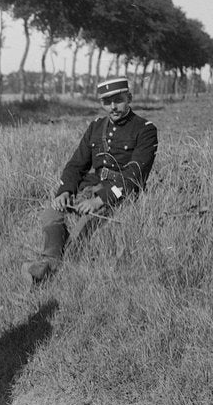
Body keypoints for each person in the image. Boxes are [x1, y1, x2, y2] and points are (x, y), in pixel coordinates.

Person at [22, 77, 158, 283]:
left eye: (118, 100)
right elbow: (76, 164)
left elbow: (134, 174)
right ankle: (49, 259)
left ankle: (48, 269)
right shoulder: (96, 127)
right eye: (106, 102)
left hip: (121, 191)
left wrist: (99, 200)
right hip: (91, 185)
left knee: (86, 223)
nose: (112, 107)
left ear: (129, 98)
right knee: (51, 212)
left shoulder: (145, 129)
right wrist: (65, 191)